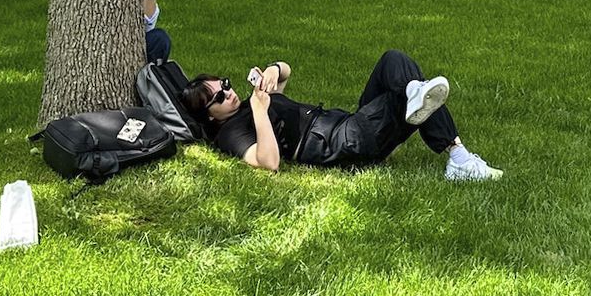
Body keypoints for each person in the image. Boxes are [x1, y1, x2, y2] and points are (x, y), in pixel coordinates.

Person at [183, 51, 501, 180]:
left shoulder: (249, 104)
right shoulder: (230, 133)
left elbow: (286, 73)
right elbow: (269, 162)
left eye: (225, 85)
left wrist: (274, 69)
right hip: (344, 143)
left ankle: (412, 94)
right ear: (210, 117)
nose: (228, 93)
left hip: (346, 124)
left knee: (393, 62)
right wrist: (258, 109)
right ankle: (458, 156)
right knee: (411, 93)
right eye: (219, 98)